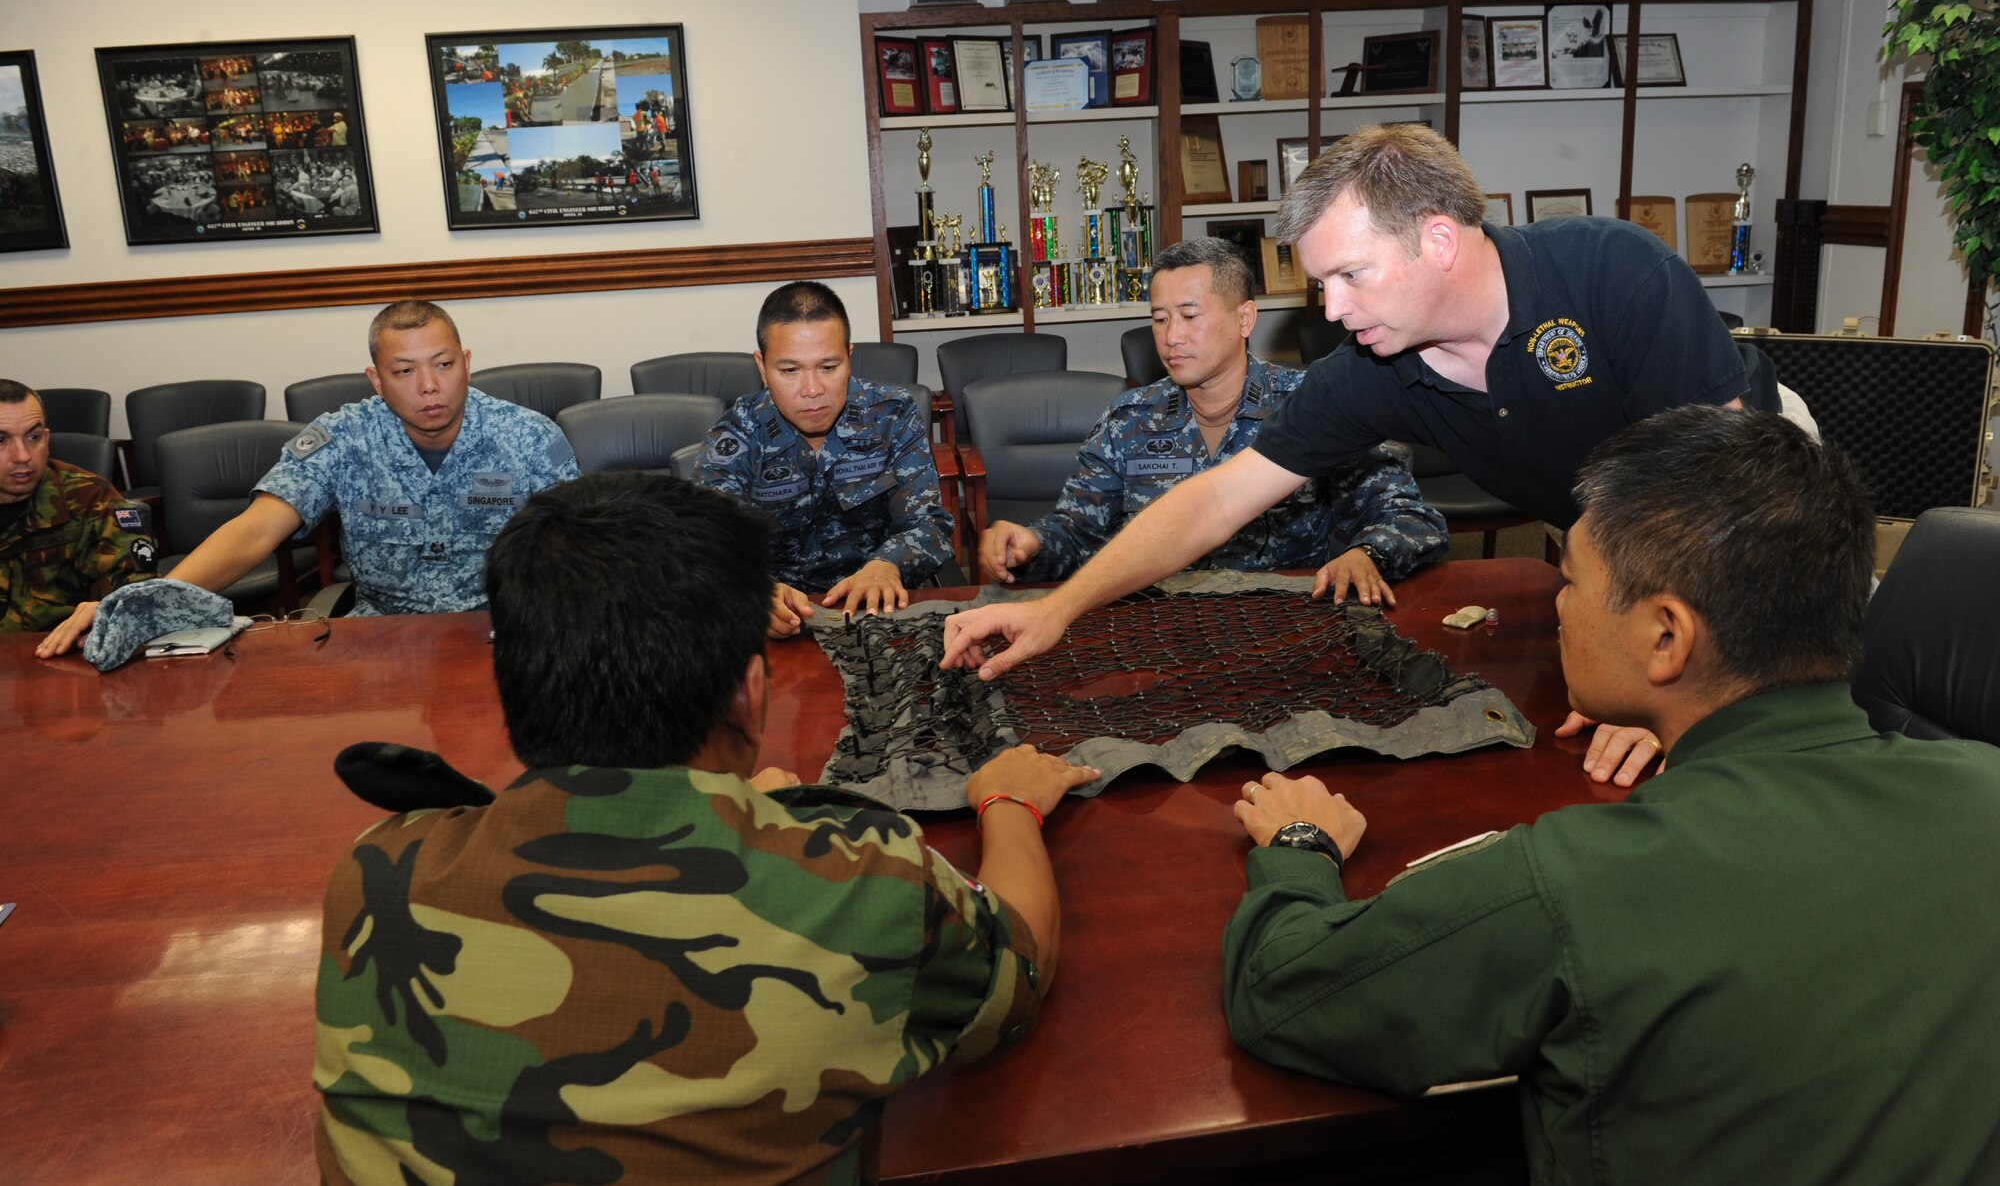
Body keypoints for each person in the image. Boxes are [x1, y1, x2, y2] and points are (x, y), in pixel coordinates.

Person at [1221, 405, 2000, 1185]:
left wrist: (1299, 848)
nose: (1559, 602)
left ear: (1667, 636)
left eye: (1570, 579)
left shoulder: (1577, 881)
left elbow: (1280, 989)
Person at [312, 472, 1097, 1184]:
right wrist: (1010, 804)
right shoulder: (859, 886)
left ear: (513, 679)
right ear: (750, 694)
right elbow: (1016, 978)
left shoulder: (377, 872)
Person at [940, 123, 1754, 770]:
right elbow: (1218, 498)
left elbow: (1717, 496)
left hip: (1741, 497)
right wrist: (1057, 608)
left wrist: (1674, 692)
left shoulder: (1613, 271)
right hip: (1607, 534)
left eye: (1350, 276)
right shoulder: (1372, 366)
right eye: (1321, 284)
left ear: (1437, 242)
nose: (1331, 310)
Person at [35, 299, 577, 655]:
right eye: (405, 371)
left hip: (500, 637)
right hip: (380, 642)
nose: (429, 386)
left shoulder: (528, 437)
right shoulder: (342, 438)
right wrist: (145, 598)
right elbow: (255, 530)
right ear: (376, 378)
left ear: (467, 362)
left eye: (443, 364)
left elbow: (580, 546)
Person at [979, 238, 1446, 606]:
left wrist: (1366, 553)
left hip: (1280, 625)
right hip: (1159, 626)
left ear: (1244, 318)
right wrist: (1032, 544)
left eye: (1189, 316)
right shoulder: (1129, 419)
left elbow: (1410, 518)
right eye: (1159, 320)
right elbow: (1079, 534)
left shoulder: (1313, 407)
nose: (1171, 337)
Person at [696, 280, 954, 638]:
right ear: (762, 366)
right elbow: (705, 542)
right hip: (782, 621)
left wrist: (887, 564)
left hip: (880, 611)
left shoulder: (891, 414)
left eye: (828, 367)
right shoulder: (739, 434)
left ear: (849, 357)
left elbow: (929, 524)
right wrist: (752, 587)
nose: (812, 390)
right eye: (790, 371)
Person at [0, 380, 156, 632]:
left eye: (33, 437)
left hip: (58, 655)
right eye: (0, 440)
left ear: (47, 439)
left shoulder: (90, 498)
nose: (23, 456)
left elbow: (137, 590)